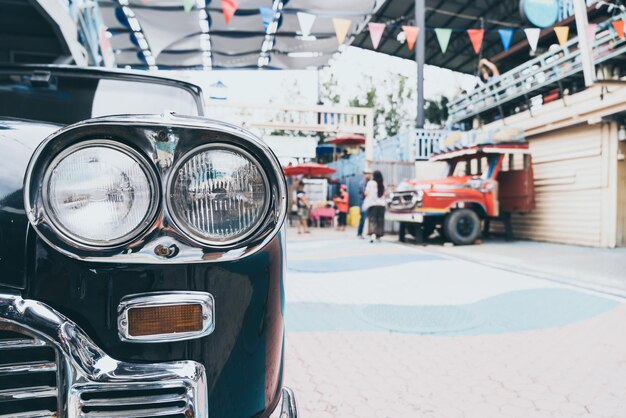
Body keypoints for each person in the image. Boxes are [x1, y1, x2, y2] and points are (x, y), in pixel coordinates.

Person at [362, 170, 386, 243]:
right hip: (381, 205)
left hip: (372, 204)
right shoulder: (383, 183)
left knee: (372, 220)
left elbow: (366, 193)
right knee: (380, 221)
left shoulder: (370, 183)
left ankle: (372, 236)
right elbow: (385, 194)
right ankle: (379, 236)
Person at [357, 169, 372, 238]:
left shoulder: (371, 183)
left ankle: (366, 233)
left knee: (369, 219)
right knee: (363, 218)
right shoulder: (362, 183)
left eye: (369, 174)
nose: (369, 175)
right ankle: (360, 233)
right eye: (367, 174)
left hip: (370, 203)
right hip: (363, 203)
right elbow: (364, 193)